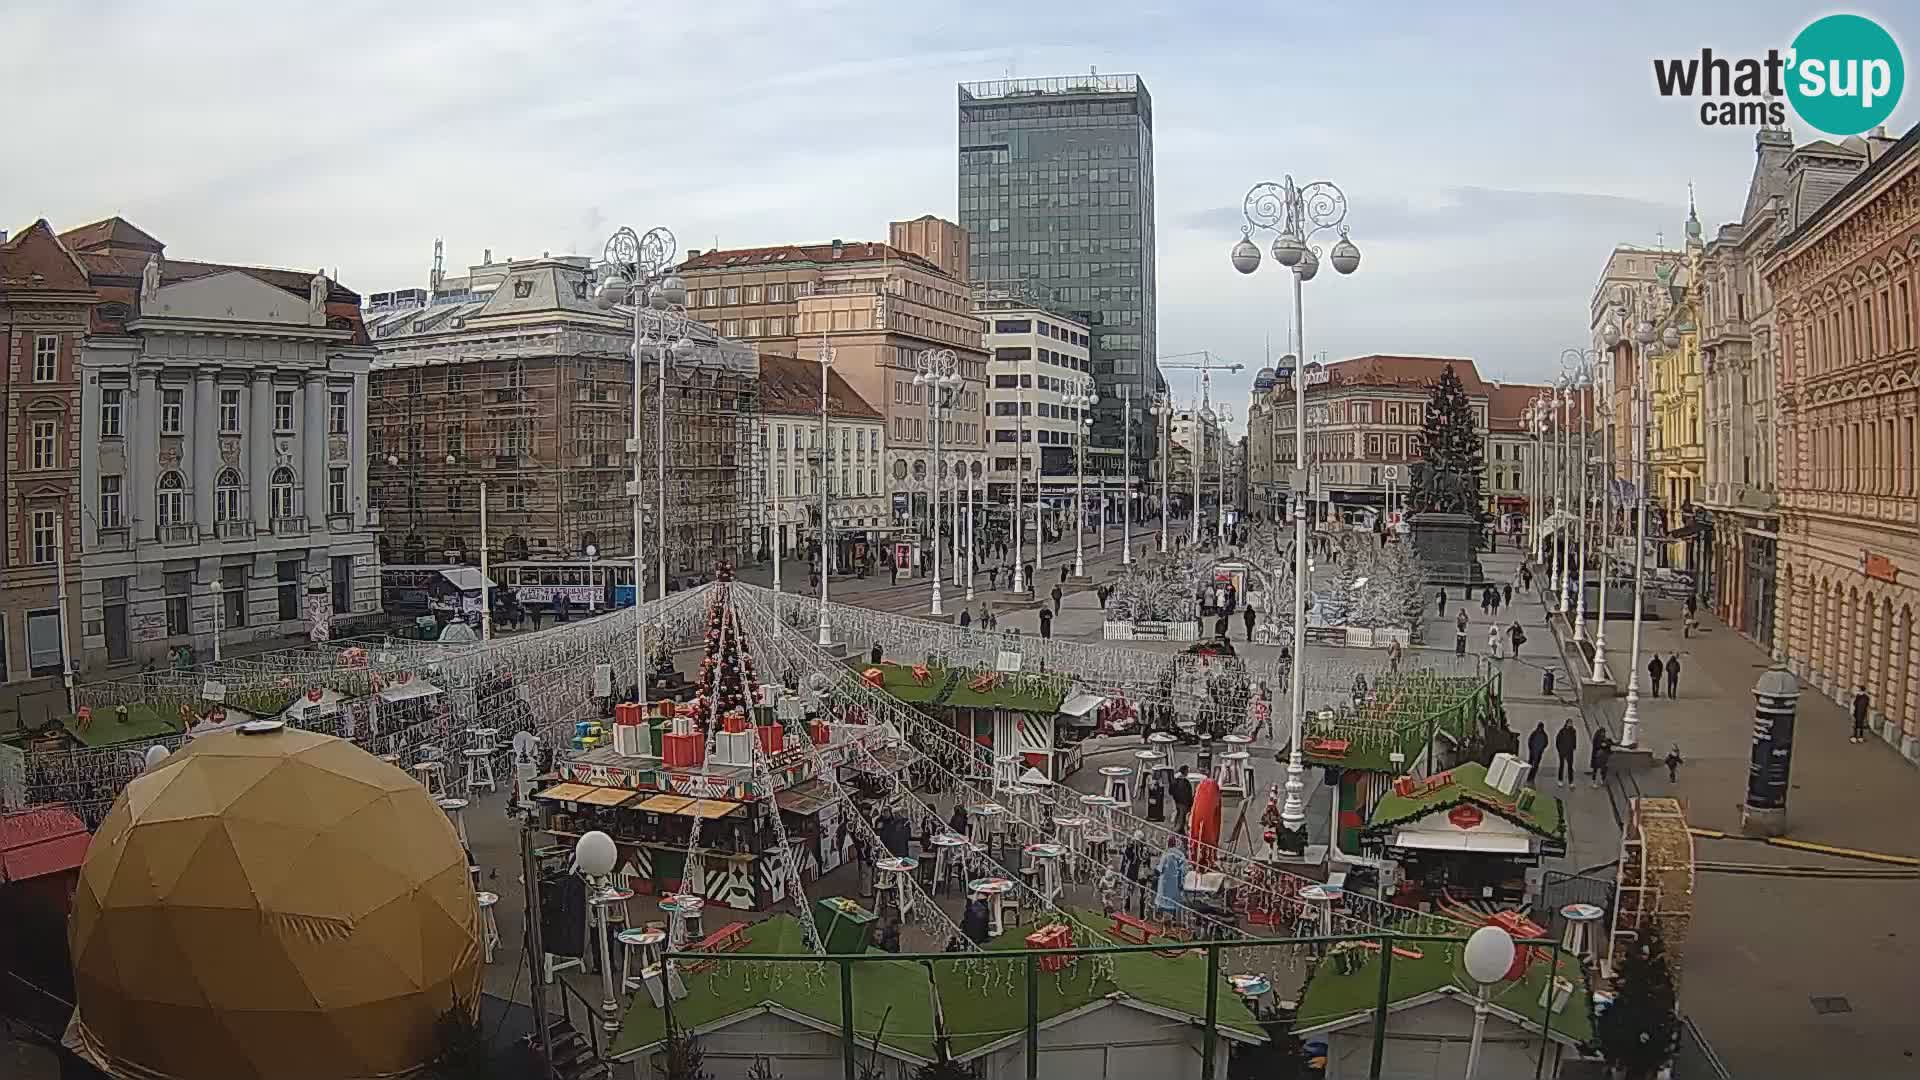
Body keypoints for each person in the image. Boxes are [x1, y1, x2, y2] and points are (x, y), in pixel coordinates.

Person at [1153, 833, 1188, 921]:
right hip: (1175, 882)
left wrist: (1155, 870)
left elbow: (1160, 869)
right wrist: (1181, 882)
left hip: (1165, 882)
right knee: (1173, 902)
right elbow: (1183, 870)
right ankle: (1173, 919)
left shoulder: (1166, 854)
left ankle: (1161, 919)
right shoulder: (1181, 855)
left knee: (1162, 900)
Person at [1169, 765, 1195, 833]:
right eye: (1187, 771)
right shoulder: (1185, 782)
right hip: (1183, 803)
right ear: (1185, 771)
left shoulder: (1175, 780)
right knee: (1181, 819)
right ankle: (1175, 833)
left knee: (1179, 817)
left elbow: (1171, 791)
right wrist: (1190, 804)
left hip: (1177, 802)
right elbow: (1188, 794)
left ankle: (1179, 831)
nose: (1188, 773)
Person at [1554, 718, 1579, 787]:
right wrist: (1559, 749)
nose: (1570, 724)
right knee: (1561, 766)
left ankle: (1571, 782)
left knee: (1570, 767)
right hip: (1562, 751)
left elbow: (1574, 740)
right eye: (1569, 723)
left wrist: (1573, 747)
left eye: (1571, 723)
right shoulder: (1562, 731)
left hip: (1570, 752)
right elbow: (1557, 741)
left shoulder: (1573, 731)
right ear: (1566, 723)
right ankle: (1560, 780)